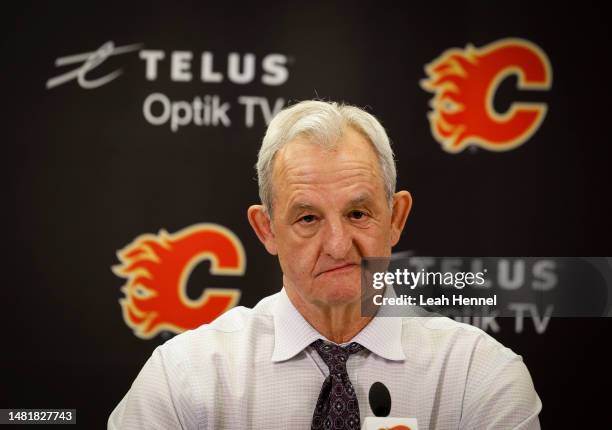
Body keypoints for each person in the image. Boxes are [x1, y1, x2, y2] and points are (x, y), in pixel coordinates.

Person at [108, 100, 542, 429]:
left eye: (358, 214)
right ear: (266, 230)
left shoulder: (479, 377)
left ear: (396, 218)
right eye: (308, 218)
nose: (338, 245)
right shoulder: (185, 377)